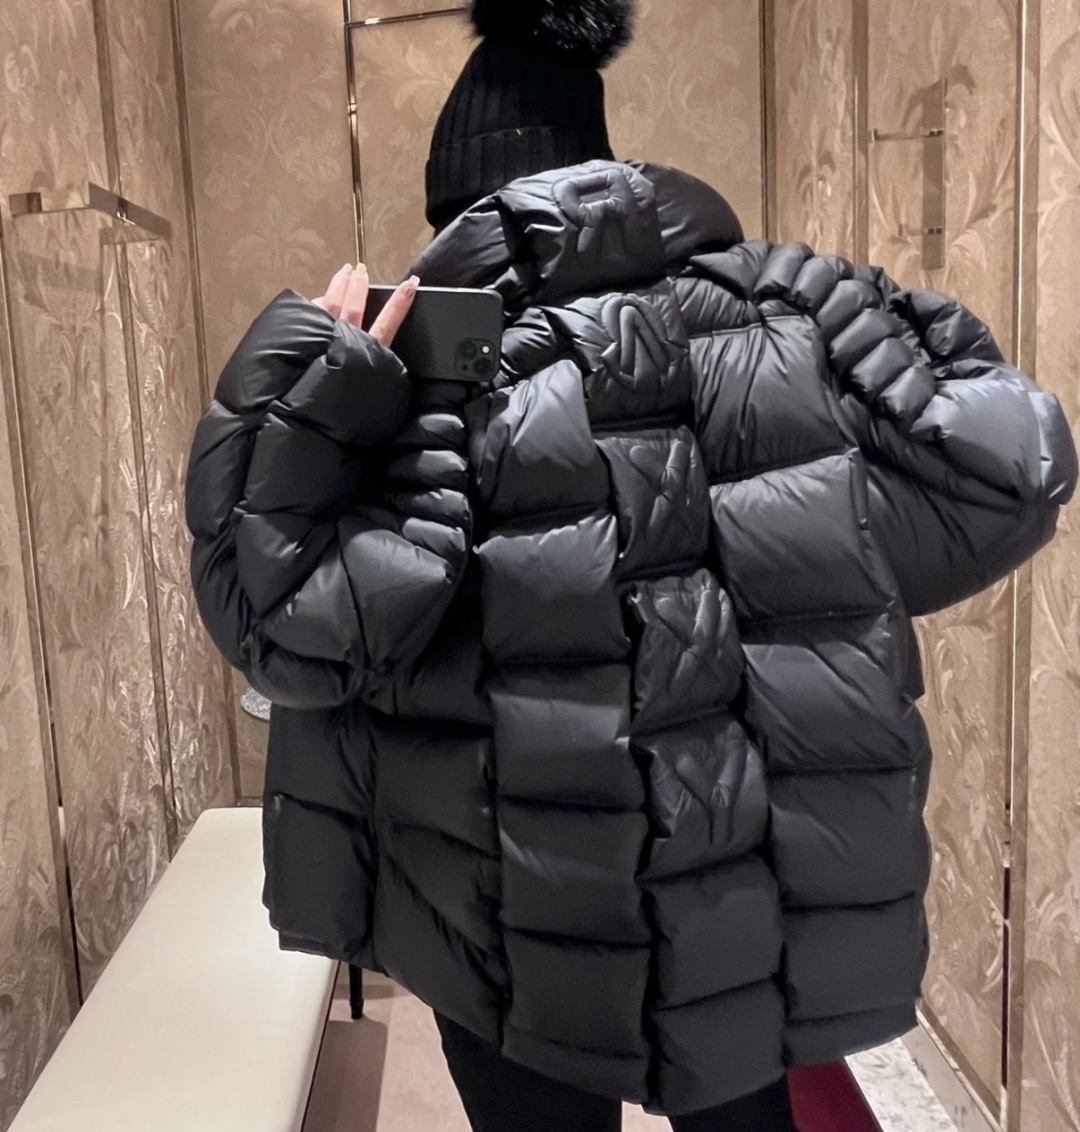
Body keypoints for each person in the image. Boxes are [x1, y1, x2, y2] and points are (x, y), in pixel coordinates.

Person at [185, 1, 1077, 1128]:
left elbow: (285, 626)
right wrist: (835, 303)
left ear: (459, 213)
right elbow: (1011, 468)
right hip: (734, 891)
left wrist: (315, 407)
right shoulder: (769, 330)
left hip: (499, 918)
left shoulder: (409, 386)